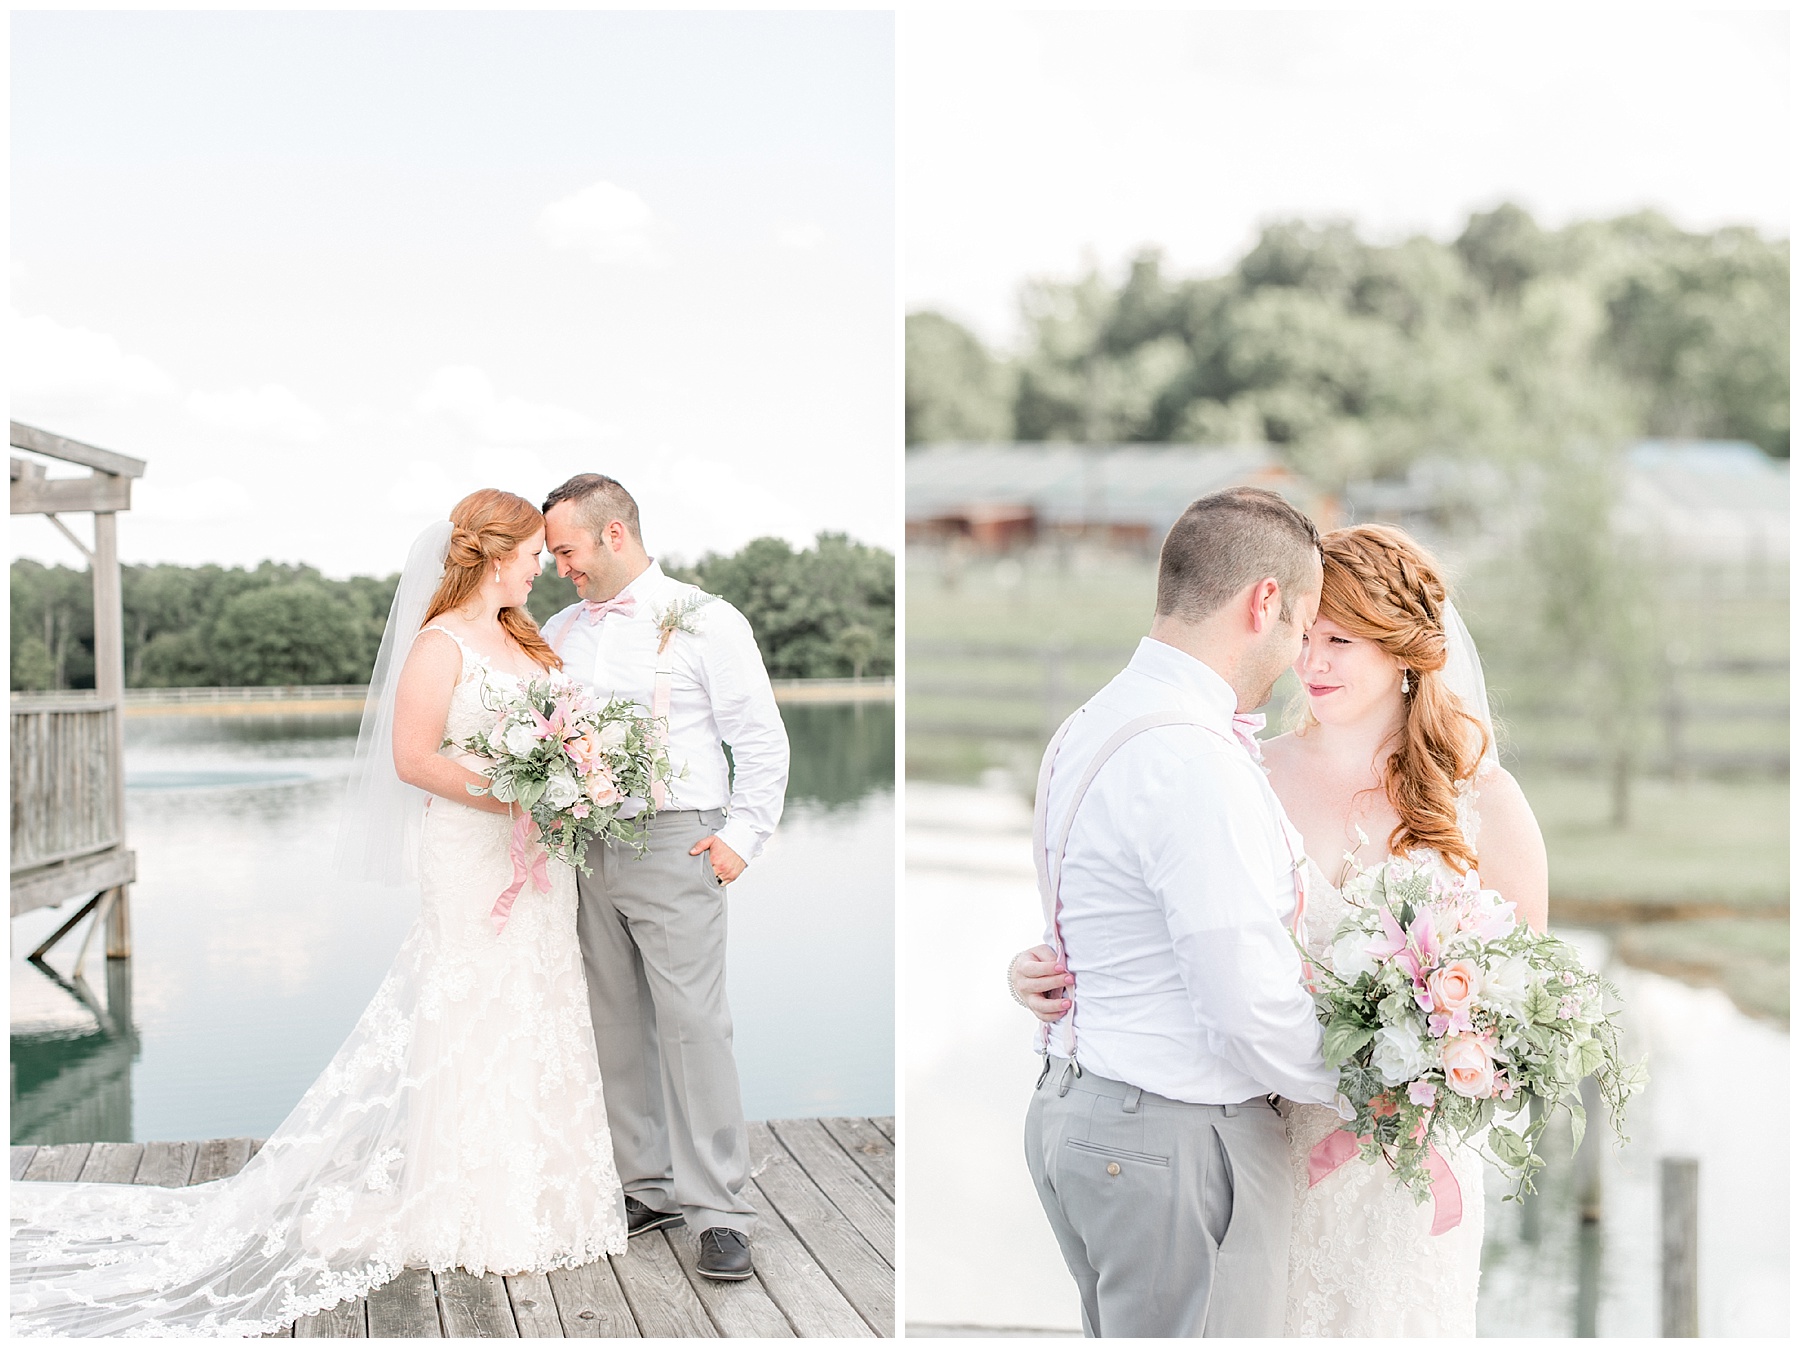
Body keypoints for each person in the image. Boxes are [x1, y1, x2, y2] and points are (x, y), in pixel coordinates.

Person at [12, 489, 628, 1337]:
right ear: (496, 552)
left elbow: (559, 732)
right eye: (532, 552)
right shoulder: (438, 644)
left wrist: (566, 781)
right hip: (472, 854)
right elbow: (414, 760)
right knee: (475, 1014)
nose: (542, 565)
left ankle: (548, 1198)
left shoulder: (528, 638)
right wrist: (517, 795)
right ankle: (475, 1205)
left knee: (542, 1008)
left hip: (540, 867)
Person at [1012, 520, 1550, 1337]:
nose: (1314, 662)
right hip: (1270, 1143)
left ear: (1404, 648)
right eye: (1309, 635)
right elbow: (1156, 927)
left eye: (1345, 640)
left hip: (1404, 1173)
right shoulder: (1244, 774)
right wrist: (1040, 970)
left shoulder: (1485, 802)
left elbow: (1528, 1005)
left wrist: (1447, 1063)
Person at [1020, 487, 1342, 1338]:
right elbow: (1242, 1003)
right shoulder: (1193, 761)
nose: (1302, 654)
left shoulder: (1091, 723)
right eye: (1304, 626)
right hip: (1173, 1144)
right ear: (1264, 601)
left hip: (1077, 1113)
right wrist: (1362, 1084)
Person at [540, 473, 789, 1283]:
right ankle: (645, 1185)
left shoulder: (708, 622)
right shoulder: (560, 628)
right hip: (585, 843)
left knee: (693, 1025)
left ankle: (719, 1210)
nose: (560, 567)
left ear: (615, 534)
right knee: (612, 1020)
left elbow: (760, 739)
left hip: (678, 842)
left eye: (567, 550)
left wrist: (739, 840)